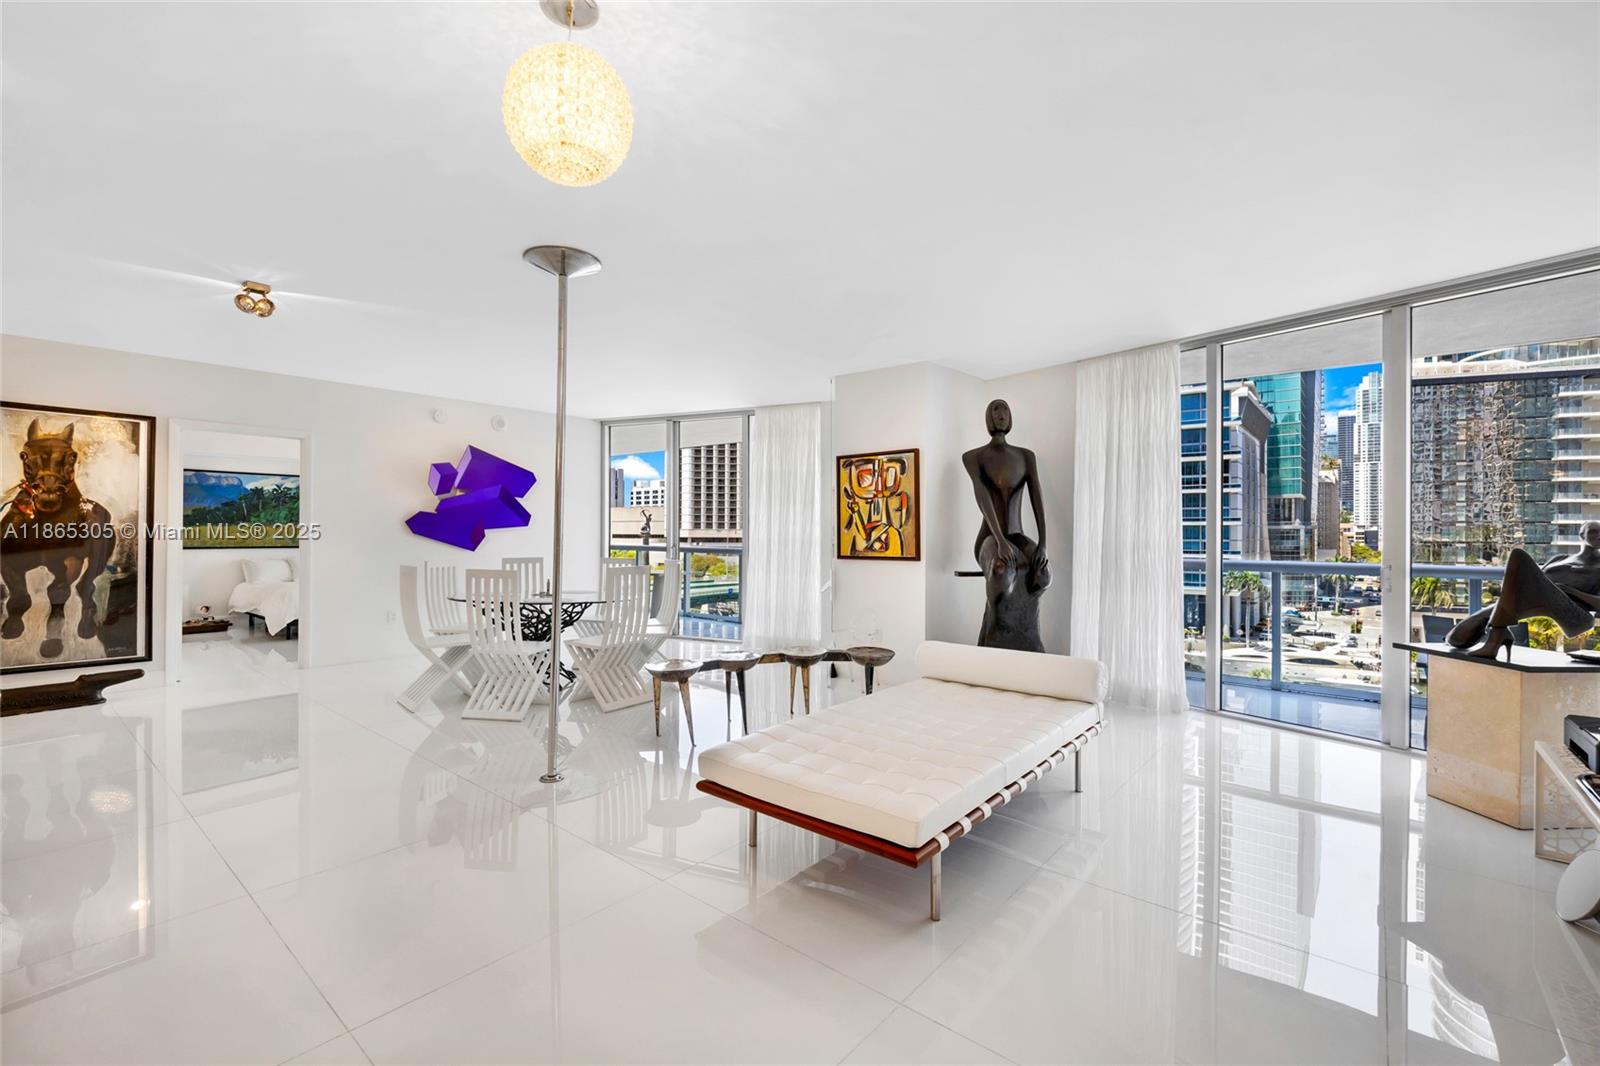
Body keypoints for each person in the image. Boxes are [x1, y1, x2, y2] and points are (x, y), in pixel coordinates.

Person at [962, 399, 1049, 651]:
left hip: (1017, 535)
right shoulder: (973, 457)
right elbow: (983, 497)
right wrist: (999, 540)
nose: (1000, 415)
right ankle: (994, 642)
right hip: (990, 536)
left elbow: (1037, 497)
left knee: (1043, 573)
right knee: (1002, 571)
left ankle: (1028, 643)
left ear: (1011, 418)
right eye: (995, 410)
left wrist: (1043, 544)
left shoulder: (1025, 456)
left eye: (1005, 410)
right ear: (988, 418)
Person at [1447, 520, 1600, 659]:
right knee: (1456, 638)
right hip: (1537, 601)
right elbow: (1531, 580)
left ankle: (1495, 640)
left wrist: (1572, 592)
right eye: (1593, 531)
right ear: (1581, 535)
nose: (1599, 536)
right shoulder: (1559, 559)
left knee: (1518, 556)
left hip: (1574, 613)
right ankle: (1499, 632)